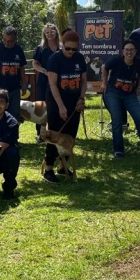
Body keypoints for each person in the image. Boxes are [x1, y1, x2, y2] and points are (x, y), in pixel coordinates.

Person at [101, 39, 140, 159]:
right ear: (123, 51)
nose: (129, 53)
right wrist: (104, 83)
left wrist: (138, 87)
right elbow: (105, 67)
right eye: (127, 50)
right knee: (117, 120)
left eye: (131, 50)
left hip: (130, 95)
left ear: (135, 51)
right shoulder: (116, 61)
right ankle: (118, 150)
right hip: (113, 93)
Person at [42, 30, 87, 183]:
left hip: (74, 102)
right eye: (68, 48)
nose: (71, 52)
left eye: (74, 49)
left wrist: (81, 99)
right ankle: (48, 169)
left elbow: (83, 81)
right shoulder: (54, 59)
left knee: (70, 136)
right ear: (62, 45)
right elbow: (53, 84)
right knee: (54, 136)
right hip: (56, 101)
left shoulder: (79, 59)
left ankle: (63, 166)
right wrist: (61, 106)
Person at [0, 25, 27, 120]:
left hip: (14, 88)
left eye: (10, 41)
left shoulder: (19, 50)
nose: (6, 43)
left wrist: (24, 83)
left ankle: (12, 134)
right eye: (4, 40)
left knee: (14, 115)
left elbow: (22, 68)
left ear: (15, 39)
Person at [32, 23, 60, 141]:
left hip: (59, 82)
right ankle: (40, 134)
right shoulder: (41, 48)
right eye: (47, 32)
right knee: (42, 107)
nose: (49, 34)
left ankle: (56, 132)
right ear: (44, 34)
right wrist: (44, 71)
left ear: (56, 32)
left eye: (51, 31)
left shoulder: (62, 47)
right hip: (43, 81)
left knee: (56, 106)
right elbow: (35, 64)